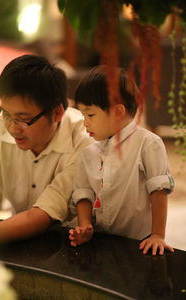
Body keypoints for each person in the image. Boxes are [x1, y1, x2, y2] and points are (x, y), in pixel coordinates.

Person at [0, 54, 92, 245]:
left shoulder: (84, 141)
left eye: (23, 119)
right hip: (16, 234)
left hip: (73, 241)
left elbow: (44, 214)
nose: (12, 127)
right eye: (7, 114)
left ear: (57, 112)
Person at [69, 65, 175, 255]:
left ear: (118, 112)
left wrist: (158, 235)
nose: (85, 122)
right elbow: (83, 193)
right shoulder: (88, 152)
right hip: (102, 240)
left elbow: (158, 190)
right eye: (82, 115)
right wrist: (84, 226)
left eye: (90, 114)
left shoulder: (148, 143)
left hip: (139, 241)